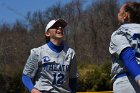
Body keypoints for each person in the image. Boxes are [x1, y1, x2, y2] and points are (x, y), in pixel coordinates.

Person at [22, 18, 77, 93]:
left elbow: (73, 79)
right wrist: (33, 90)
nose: (60, 28)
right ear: (47, 33)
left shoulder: (71, 53)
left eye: (61, 26)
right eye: (56, 26)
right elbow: (26, 76)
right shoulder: (37, 52)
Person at [109, 2, 140, 93]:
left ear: (125, 15)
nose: (118, 13)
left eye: (119, 11)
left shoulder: (120, 32)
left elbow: (129, 57)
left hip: (128, 82)